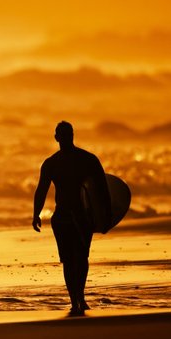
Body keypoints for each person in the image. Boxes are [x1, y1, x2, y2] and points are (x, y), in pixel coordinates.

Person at [32, 121, 111, 316]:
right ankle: (77, 298)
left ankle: (77, 298)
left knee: (77, 258)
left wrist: (36, 214)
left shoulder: (58, 162)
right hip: (71, 216)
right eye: (64, 134)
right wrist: (35, 214)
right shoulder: (85, 159)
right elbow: (103, 191)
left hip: (73, 216)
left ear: (60, 137)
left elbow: (103, 189)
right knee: (75, 258)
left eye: (67, 134)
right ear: (58, 137)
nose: (66, 138)